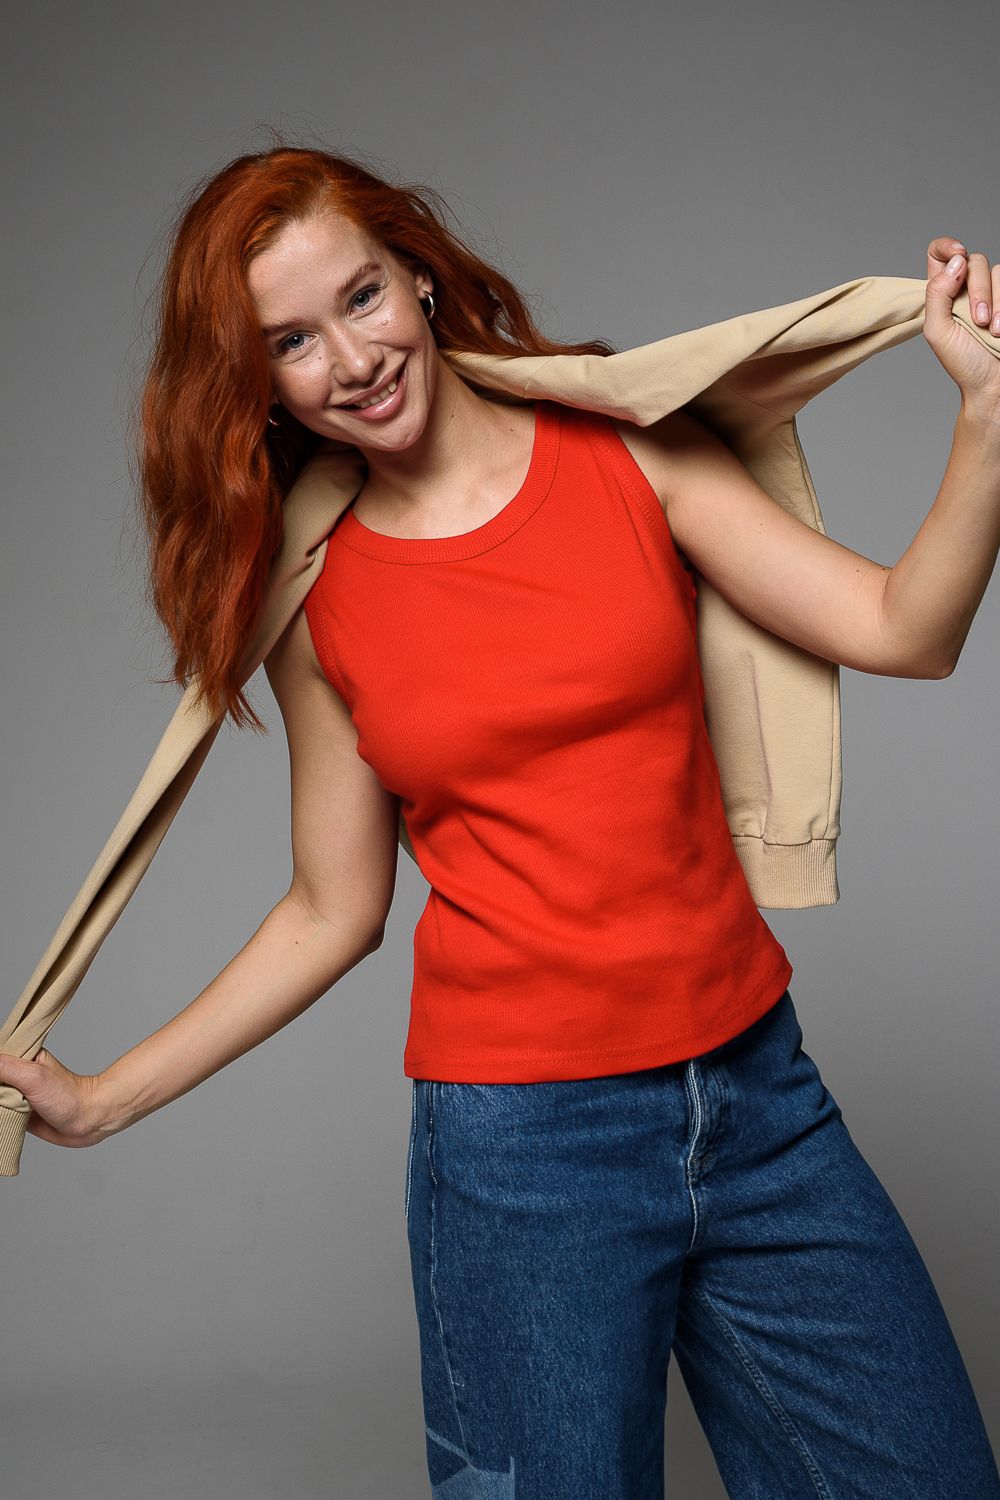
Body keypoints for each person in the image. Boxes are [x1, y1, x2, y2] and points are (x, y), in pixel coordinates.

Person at [1, 143, 999, 1499]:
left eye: (360, 297)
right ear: (260, 384)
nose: (350, 360)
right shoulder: (318, 593)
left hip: (758, 1097)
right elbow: (334, 908)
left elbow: (904, 629)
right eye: (292, 342)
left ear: (416, 274)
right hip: (523, 1156)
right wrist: (104, 1097)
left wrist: (987, 412)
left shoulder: (628, 453)